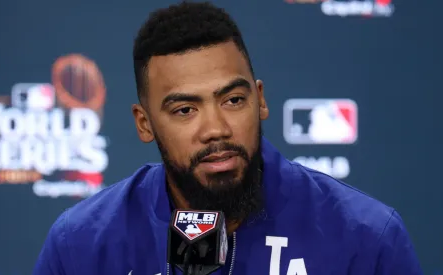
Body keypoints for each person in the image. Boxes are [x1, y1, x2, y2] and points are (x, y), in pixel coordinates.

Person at [33, 1, 422, 274]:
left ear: (261, 100)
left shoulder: (366, 238)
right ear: (144, 123)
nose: (216, 128)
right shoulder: (82, 244)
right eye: (185, 110)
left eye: (233, 100)